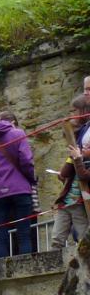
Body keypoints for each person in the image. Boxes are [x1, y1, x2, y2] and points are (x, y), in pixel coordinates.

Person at [0, 110, 37, 258]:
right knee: (24, 232)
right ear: (12, 122)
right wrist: (31, 179)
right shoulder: (18, 133)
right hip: (19, 188)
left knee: (0, 234)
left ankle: (2, 271)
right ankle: (26, 267)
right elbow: (26, 161)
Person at [53, 95, 90, 250]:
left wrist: (78, 158)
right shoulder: (77, 147)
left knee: (83, 239)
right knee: (57, 238)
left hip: (80, 203)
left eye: (75, 111)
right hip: (67, 201)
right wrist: (74, 156)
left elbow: (83, 175)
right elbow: (66, 172)